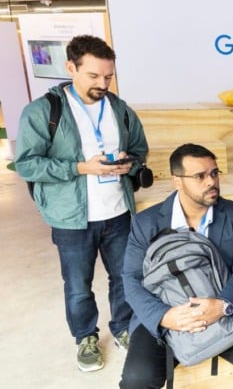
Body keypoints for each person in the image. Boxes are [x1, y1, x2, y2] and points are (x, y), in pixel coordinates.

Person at [15, 35, 148, 372]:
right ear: (70, 68)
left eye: (108, 76)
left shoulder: (120, 109)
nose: (102, 84)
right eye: (93, 76)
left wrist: (129, 163)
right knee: (78, 286)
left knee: (125, 277)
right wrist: (80, 168)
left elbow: (139, 149)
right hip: (71, 218)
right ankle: (86, 337)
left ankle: (123, 327)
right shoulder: (43, 111)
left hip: (118, 212)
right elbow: (27, 164)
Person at [119, 143, 233, 388]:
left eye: (214, 173)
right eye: (200, 176)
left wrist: (222, 305)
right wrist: (164, 316)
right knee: (137, 378)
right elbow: (131, 279)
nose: (211, 182)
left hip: (224, 304)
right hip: (167, 310)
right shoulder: (146, 222)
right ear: (177, 181)